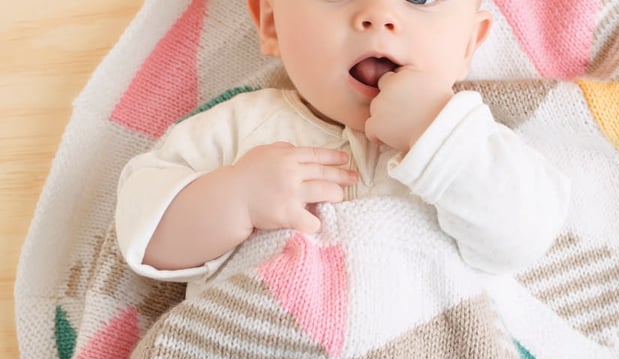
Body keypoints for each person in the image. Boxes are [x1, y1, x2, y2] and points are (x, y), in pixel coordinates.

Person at [115, 0, 571, 297]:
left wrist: (438, 131)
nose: (378, 14)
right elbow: (143, 233)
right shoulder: (241, 128)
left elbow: (527, 236)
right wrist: (236, 197)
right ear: (272, 22)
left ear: (469, 43)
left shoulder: (474, 143)